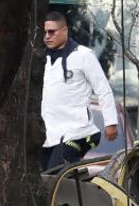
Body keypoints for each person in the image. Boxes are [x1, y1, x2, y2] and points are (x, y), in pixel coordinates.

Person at [41, 11, 118, 170]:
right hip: (48, 134)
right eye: (45, 32)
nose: (47, 36)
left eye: (52, 32)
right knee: (43, 177)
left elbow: (103, 89)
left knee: (55, 173)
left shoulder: (83, 55)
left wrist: (110, 122)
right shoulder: (41, 58)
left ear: (65, 30)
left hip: (77, 133)